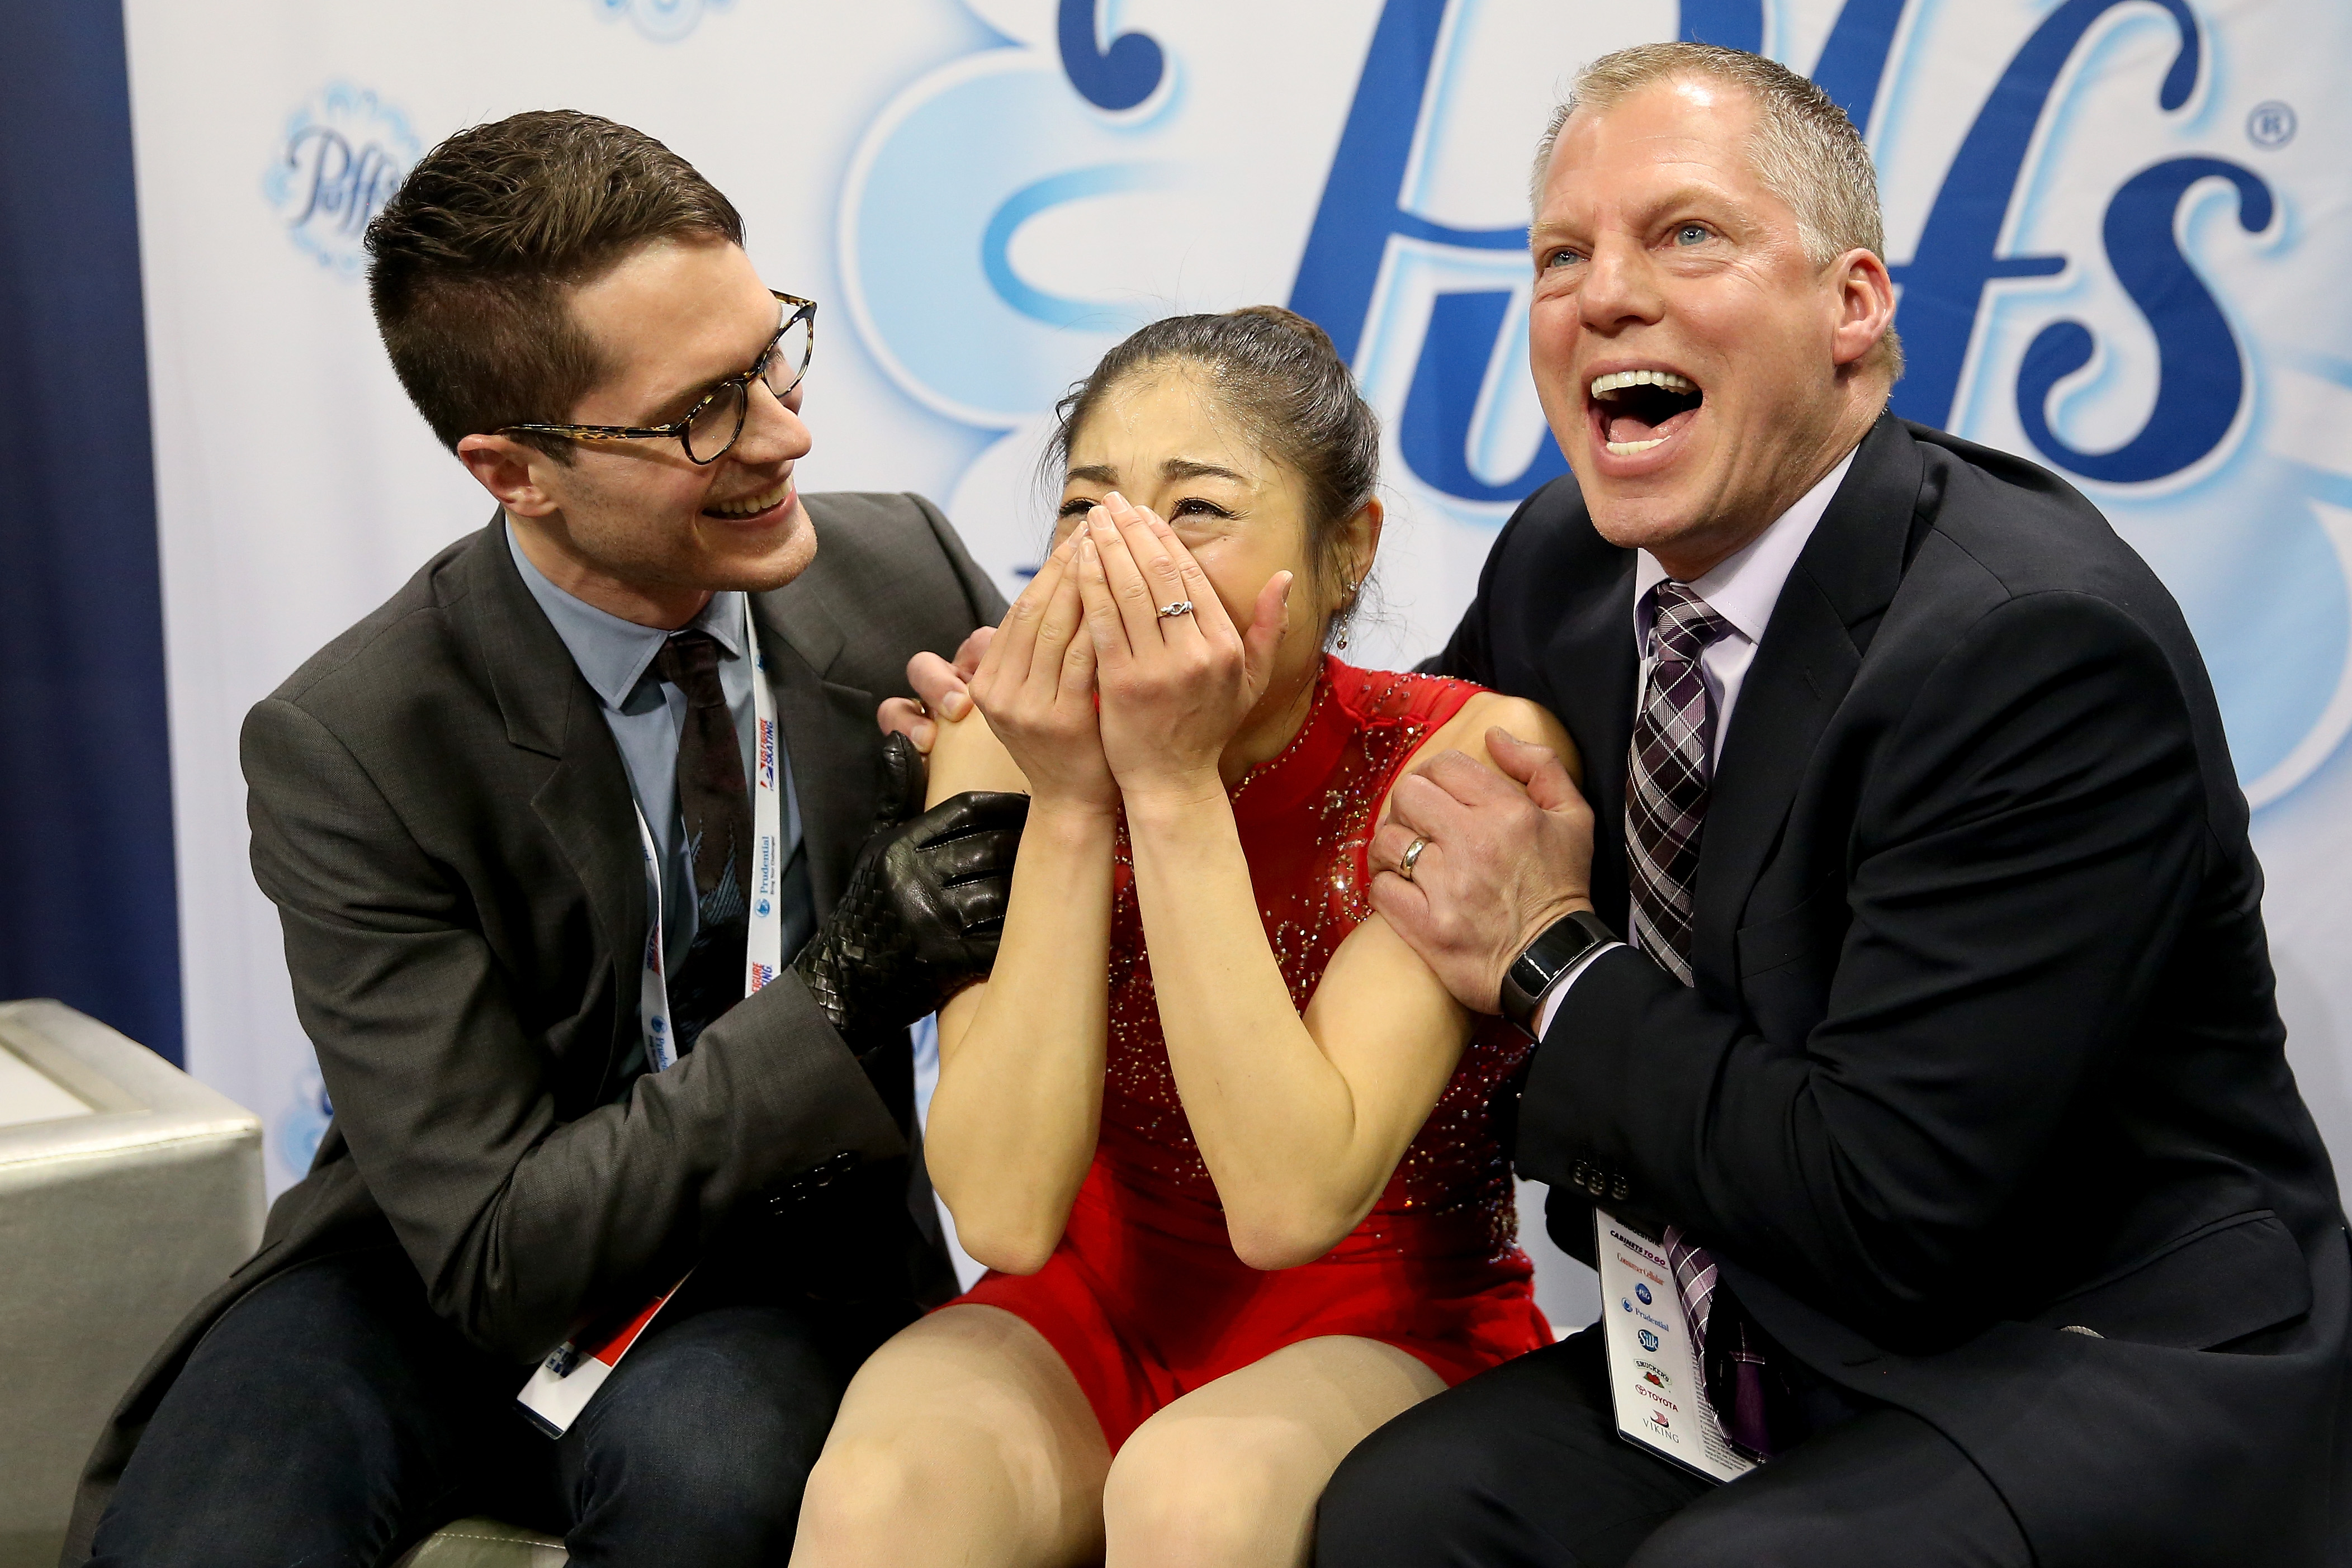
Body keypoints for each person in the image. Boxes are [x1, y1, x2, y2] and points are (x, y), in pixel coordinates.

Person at [1302, 42, 2350, 1567]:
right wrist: (1137, 740)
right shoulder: (1564, 566)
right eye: (1560, 254)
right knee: (1400, 1516)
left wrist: (1551, 959)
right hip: (1766, 1332)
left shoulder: (2032, 645)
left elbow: (1894, 1202)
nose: (1606, 294)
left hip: (2085, 1339)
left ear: (1855, 307)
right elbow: (1384, 809)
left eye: (1687, 236)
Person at [68, 111, 1025, 1567]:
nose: (786, 430)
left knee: (714, 1480)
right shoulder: (354, 737)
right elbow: (501, 1243)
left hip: (783, 1263)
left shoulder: (908, 573)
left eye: (774, 351)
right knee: (208, 1531)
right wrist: (845, 987)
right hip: (435, 1276)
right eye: (703, 407)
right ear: (514, 469)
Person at [791, 307, 1562, 1567]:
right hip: (1086, 1292)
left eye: (1195, 509)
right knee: (884, 1490)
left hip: (1379, 1311)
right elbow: (1001, 1210)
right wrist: (1077, 797)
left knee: (1195, 1496)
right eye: (1087, 510)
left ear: (1346, 552)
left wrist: (1167, 780)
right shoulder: (1006, 733)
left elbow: (1288, 1199)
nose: (1124, 558)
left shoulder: (1465, 754)